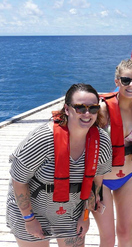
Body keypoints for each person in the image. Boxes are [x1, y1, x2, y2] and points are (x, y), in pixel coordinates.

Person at [6, 83, 112, 246]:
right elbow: (18, 180)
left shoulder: (102, 142)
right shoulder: (42, 139)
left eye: (93, 108)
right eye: (80, 108)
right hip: (30, 211)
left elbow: (96, 184)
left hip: (71, 212)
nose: (87, 113)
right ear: (67, 109)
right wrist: (29, 219)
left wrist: (85, 216)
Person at [93, 58, 132, 247]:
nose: (131, 85)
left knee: (125, 234)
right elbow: (89, 145)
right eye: (126, 81)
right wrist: (93, 184)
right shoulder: (102, 109)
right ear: (117, 81)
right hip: (102, 181)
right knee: (107, 239)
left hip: (129, 176)